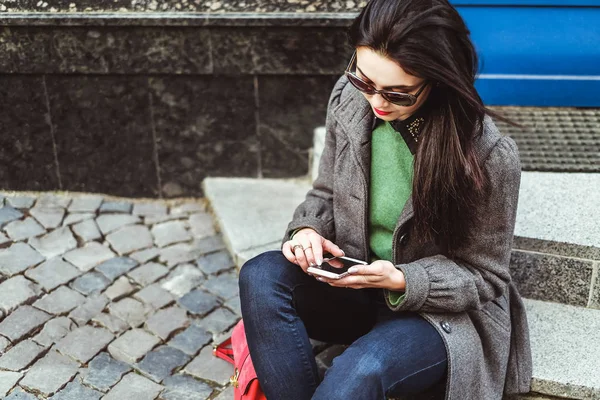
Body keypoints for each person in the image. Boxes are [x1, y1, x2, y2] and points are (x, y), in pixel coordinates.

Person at [238, 0, 533, 399]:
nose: (376, 102)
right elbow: (324, 192)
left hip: (433, 315)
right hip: (354, 285)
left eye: (398, 94)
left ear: (440, 79)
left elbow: (486, 276)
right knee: (260, 274)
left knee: (362, 371)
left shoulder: (486, 154)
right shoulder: (349, 96)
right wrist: (308, 229)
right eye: (365, 81)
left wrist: (402, 278)